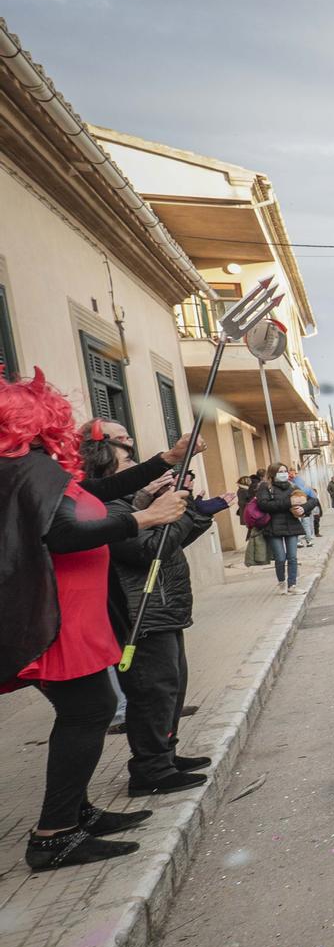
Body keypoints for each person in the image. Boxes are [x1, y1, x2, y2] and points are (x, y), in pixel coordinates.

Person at [3, 372, 197, 870]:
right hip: (60, 620)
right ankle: (55, 834)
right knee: (91, 710)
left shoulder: (31, 468)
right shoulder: (27, 469)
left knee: (87, 709)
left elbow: (97, 489)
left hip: (75, 614)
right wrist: (147, 519)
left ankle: (75, 813)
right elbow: (64, 534)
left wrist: (166, 461)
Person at [82, 422, 219, 797]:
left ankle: (166, 756)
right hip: (140, 611)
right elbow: (147, 550)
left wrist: (190, 512)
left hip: (163, 606)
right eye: (127, 458)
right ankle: (151, 770)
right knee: (152, 691)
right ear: (107, 466)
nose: (135, 464)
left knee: (172, 687)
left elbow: (170, 543)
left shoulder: (129, 503)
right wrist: (173, 510)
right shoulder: (107, 509)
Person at [255, 463, 308, 596]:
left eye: (285, 471)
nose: (284, 473)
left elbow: (309, 499)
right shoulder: (265, 487)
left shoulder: (292, 486)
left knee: (292, 557)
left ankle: (292, 585)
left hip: (292, 524)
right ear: (273, 473)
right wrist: (288, 503)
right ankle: (282, 582)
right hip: (273, 526)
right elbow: (264, 505)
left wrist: (303, 508)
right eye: (280, 471)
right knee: (280, 558)